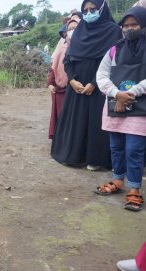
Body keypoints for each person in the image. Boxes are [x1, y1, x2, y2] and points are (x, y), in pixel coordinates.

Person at [51, 0, 122, 171]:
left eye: (93, 9)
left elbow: (115, 61)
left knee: (97, 123)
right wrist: (72, 80)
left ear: (102, 9)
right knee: (77, 121)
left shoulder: (113, 32)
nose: (89, 13)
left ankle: (96, 159)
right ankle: (74, 155)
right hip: (77, 87)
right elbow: (68, 60)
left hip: (100, 88)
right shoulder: (79, 31)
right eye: (86, 10)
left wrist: (94, 83)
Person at [94, 6, 146, 212]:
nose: (129, 29)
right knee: (116, 146)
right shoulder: (114, 50)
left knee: (134, 149)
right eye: (126, 25)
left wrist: (131, 93)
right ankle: (118, 180)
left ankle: (134, 188)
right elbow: (101, 75)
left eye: (134, 24)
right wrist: (117, 94)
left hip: (140, 107)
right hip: (115, 105)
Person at [47, 18, 80, 139]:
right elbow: (54, 67)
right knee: (61, 115)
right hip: (60, 90)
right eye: (69, 29)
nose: (72, 32)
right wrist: (50, 83)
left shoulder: (86, 48)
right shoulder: (62, 48)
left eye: (75, 29)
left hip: (79, 89)